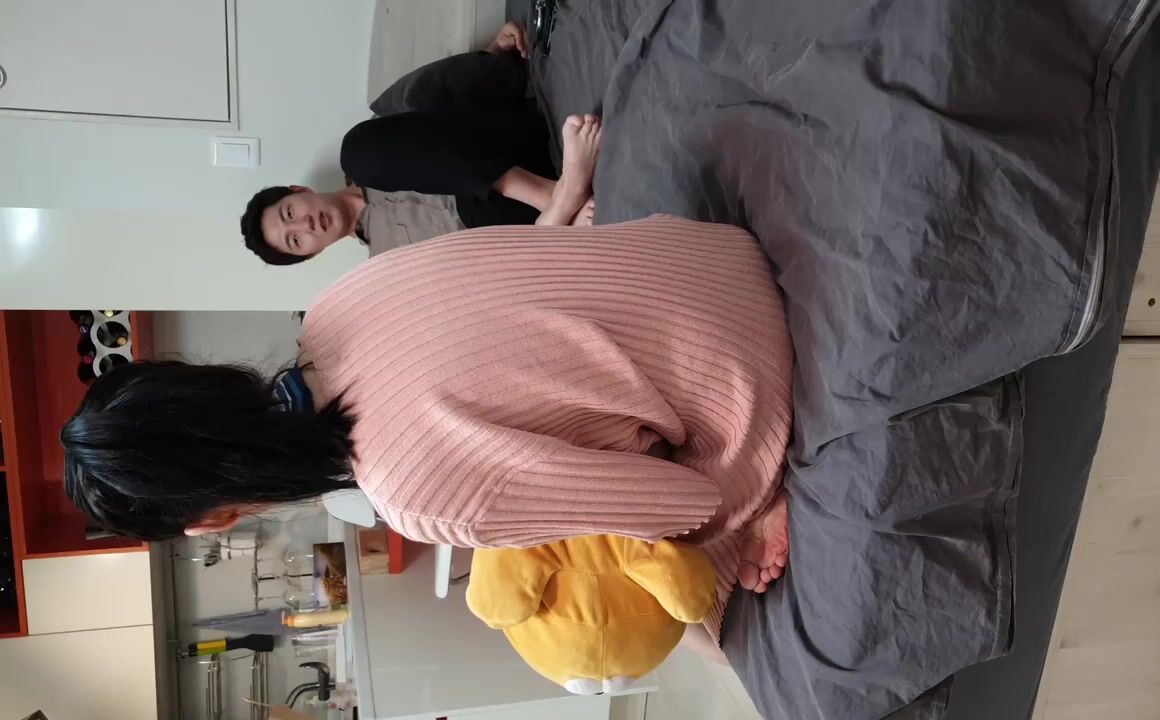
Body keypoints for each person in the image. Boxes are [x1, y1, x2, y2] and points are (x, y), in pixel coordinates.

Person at [62, 216, 792, 653]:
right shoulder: (333, 301)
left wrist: (739, 520)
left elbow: (681, 500)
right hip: (706, 251)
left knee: (704, 621)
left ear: (210, 520)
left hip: (749, 374)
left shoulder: (413, 495)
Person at [240, 21, 599, 265]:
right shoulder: (384, 263)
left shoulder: (373, 150)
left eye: (290, 213)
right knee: (470, 229)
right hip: (509, 222)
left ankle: (556, 197)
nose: (306, 225)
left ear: (299, 190)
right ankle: (557, 211)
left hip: (510, 146)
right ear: (311, 254)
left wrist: (490, 56)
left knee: (357, 151)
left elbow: (441, 101)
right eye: (296, 241)